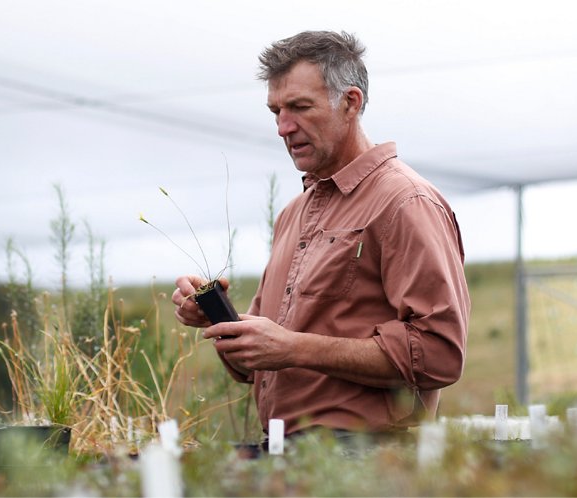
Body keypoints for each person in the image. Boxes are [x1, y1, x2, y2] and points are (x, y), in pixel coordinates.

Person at [172, 31, 470, 439]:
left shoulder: (404, 201)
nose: (283, 127)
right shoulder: (294, 214)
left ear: (351, 103)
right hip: (286, 454)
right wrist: (221, 320)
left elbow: (440, 354)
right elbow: (259, 362)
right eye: (275, 111)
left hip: (371, 460)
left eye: (299, 107)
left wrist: (293, 347)